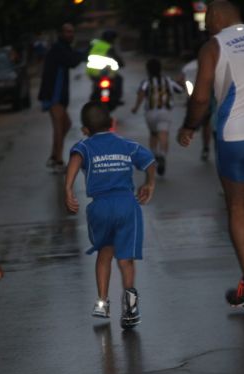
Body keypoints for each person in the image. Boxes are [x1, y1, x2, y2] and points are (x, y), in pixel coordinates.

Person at [177, 0, 244, 309]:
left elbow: (201, 97)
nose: (204, 25)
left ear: (217, 16)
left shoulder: (214, 46)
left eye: (206, 19)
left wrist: (189, 126)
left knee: (238, 206)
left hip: (235, 137)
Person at [65, 101, 155, 328]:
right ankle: (131, 308)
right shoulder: (127, 144)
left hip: (100, 208)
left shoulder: (85, 146)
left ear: (85, 130)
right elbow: (150, 161)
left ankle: (103, 303)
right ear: (112, 123)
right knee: (126, 260)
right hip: (127, 205)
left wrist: (68, 189)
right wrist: (150, 183)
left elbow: (75, 159)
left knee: (104, 253)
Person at [38, 23, 84, 173]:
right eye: (67, 32)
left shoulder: (64, 47)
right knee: (59, 127)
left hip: (59, 97)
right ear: (60, 33)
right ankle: (58, 161)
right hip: (53, 96)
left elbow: (73, 57)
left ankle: (54, 155)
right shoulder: (58, 48)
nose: (70, 34)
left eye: (72, 31)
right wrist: (86, 53)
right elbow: (72, 61)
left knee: (66, 125)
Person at [132, 58, 183, 176]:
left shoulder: (146, 82)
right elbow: (180, 90)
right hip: (165, 112)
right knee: (163, 134)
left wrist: (135, 107)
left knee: (153, 134)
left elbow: (141, 94)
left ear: (148, 70)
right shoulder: (168, 80)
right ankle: (162, 155)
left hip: (150, 113)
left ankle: (154, 155)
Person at [86, 30, 125, 104]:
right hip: (104, 72)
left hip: (92, 72)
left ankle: (94, 94)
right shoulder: (109, 47)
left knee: (96, 82)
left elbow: (86, 55)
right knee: (119, 79)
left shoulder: (95, 44)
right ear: (112, 39)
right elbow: (116, 58)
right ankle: (117, 98)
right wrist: (121, 64)